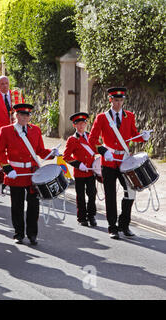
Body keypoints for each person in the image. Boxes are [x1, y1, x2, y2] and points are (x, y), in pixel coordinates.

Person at [88, 87, 150, 239]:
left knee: (131, 192)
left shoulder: (129, 116)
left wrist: (144, 137)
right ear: (110, 100)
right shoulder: (102, 117)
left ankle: (124, 224)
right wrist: (103, 151)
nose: (119, 103)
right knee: (110, 195)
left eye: (121, 100)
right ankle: (112, 227)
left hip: (125, 161)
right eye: (116, 100)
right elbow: (92, 139)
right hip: (108, 162)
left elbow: (133, 135)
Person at [0, 103, 59, 245]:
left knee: (33, 205)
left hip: (32, 174)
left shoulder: (35, 130)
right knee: (17, 205)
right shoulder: (6, 130)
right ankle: (19, 233)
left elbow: (40, 151)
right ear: (16, 116)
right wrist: (8, 169)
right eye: (22, 115)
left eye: (27, 115)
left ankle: (32, 234)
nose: (25, 117)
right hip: (15, 174)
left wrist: (52, 153)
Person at [63, 112, 97, 227]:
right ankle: (82, 217)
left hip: (91, 171)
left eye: (83, 123)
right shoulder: (72, 140)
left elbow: (98, 149)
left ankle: (91, 216)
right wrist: (78, 164)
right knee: (80, 196)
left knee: (92, 194)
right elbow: (66, 157)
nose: (81, 126)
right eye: (79, 124)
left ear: (86, 124)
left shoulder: (91, 136)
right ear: (74, 126)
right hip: (79, 172)